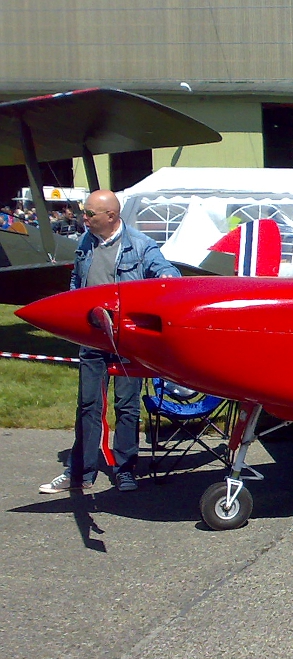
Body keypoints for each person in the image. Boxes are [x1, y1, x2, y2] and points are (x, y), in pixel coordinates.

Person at [40, 190, 180, 494]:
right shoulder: (85, 243)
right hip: (92, 339)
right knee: (87, 405)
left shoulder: (142, 247)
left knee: (126, 406)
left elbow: (170, 279)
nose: (84, 218)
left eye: (90, 214)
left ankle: (125, 470)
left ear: (111, 216)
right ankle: (80, 473)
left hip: (127, 343)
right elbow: (77, 283)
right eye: (84, 212)